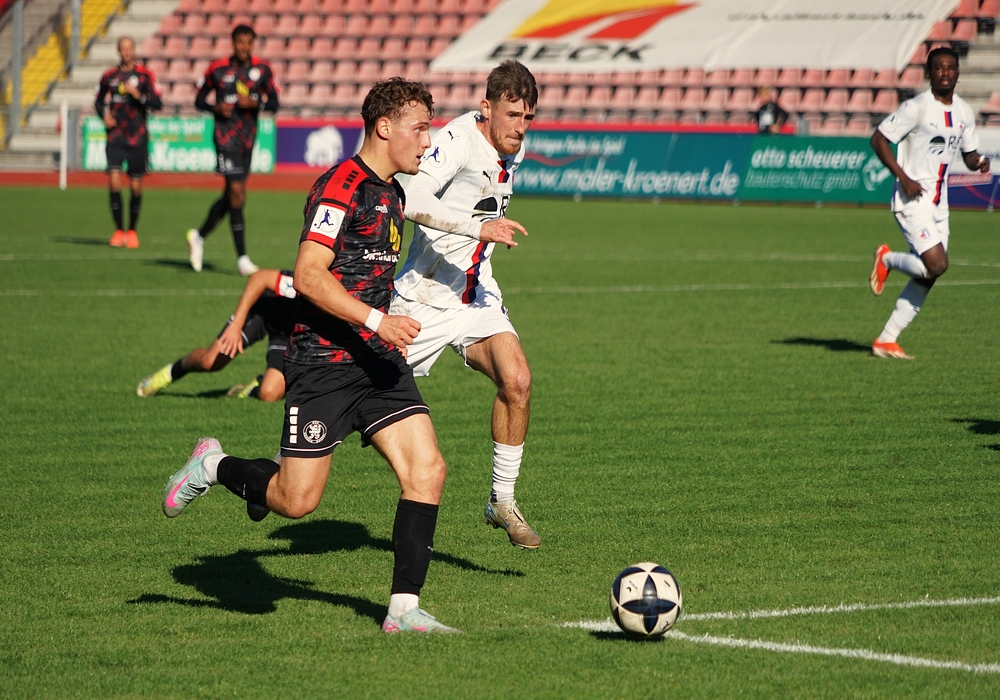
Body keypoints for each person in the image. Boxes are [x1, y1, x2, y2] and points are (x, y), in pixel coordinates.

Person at [161, 78, 460, 634]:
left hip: (377, 361)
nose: (428, 141)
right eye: (420, 129)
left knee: (428, 469)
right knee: (296, 501)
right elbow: (307, 275)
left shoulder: (393, 193)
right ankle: (213, 465)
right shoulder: (340, 187)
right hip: (323, 363)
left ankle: (403, 610)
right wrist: (378, 319)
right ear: (384, 127)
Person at [390, 60, 540, 549]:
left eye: (528, 117)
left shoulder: (514, 146)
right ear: (485, 108)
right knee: (350, 402)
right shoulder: (455, 141)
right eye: (512, 115)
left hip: (475, 294)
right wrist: (478, 228)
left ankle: (502, 500)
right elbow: (410, 197)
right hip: (424, 298)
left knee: (517, 380)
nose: (520, 127)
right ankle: (271, 471)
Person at [868, 47, 991, 359]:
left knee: (929, 274)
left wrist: (978, 162)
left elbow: (968, 155)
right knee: (937, 264)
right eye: (938, 68)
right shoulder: (916, 107)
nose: (945, 73)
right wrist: (903, 177)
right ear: (929, 73)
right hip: (912, 200)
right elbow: (878, 139)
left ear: (958, 73)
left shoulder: (964, 112)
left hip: (939, 205)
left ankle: (886, 339)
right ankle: (887, 259)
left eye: (950, 67)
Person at [187, 24, 279, 276]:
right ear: (233, 43)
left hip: (247, 140)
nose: (244, 47)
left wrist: (255, 103)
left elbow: (274, 103)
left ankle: (199, 236)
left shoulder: (263, 70)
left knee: (232, 197)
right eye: (240, 42)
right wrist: (215, 108)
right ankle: (242, 259)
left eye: (248, 43)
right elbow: (199, 99)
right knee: (237, 193)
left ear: (253, 44)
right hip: (224, 138)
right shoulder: (217, 69)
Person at [136, 269, 295, 401]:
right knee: (210, 361)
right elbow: (260, 278)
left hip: (290, 335)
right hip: (263, 313)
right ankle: (171, 372)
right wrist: (236, 325)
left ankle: (251, 388)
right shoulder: (303, 284)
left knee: (269, 393)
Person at [94, 36, 162, 249]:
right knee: (114, 182)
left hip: (137, 137)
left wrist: (138, 95)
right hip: (115, 136)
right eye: (123, 48)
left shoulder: (145, 76)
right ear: (118, 51)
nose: (127, 52)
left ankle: (132, 230)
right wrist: (103, 116)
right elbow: (98, 101)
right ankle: (118, 230)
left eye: (130, 48)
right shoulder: (109, 76)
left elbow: (157, 103)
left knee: (135, 187)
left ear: (134, 50)